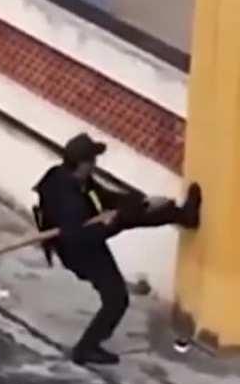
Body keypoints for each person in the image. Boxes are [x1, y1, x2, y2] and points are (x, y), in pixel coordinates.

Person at [33, 133, 202, 367]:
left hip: (86, 238)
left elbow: (104, 197)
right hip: (80, 251)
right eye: (92, 160)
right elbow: (83, 237)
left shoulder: (76, 178)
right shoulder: (67, 200)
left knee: (131, 214)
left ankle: (184, 216)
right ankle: (85, 350)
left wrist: (135, 203)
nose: (95, 164)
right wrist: (116, 220)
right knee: (116, 298)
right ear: (82, 163)